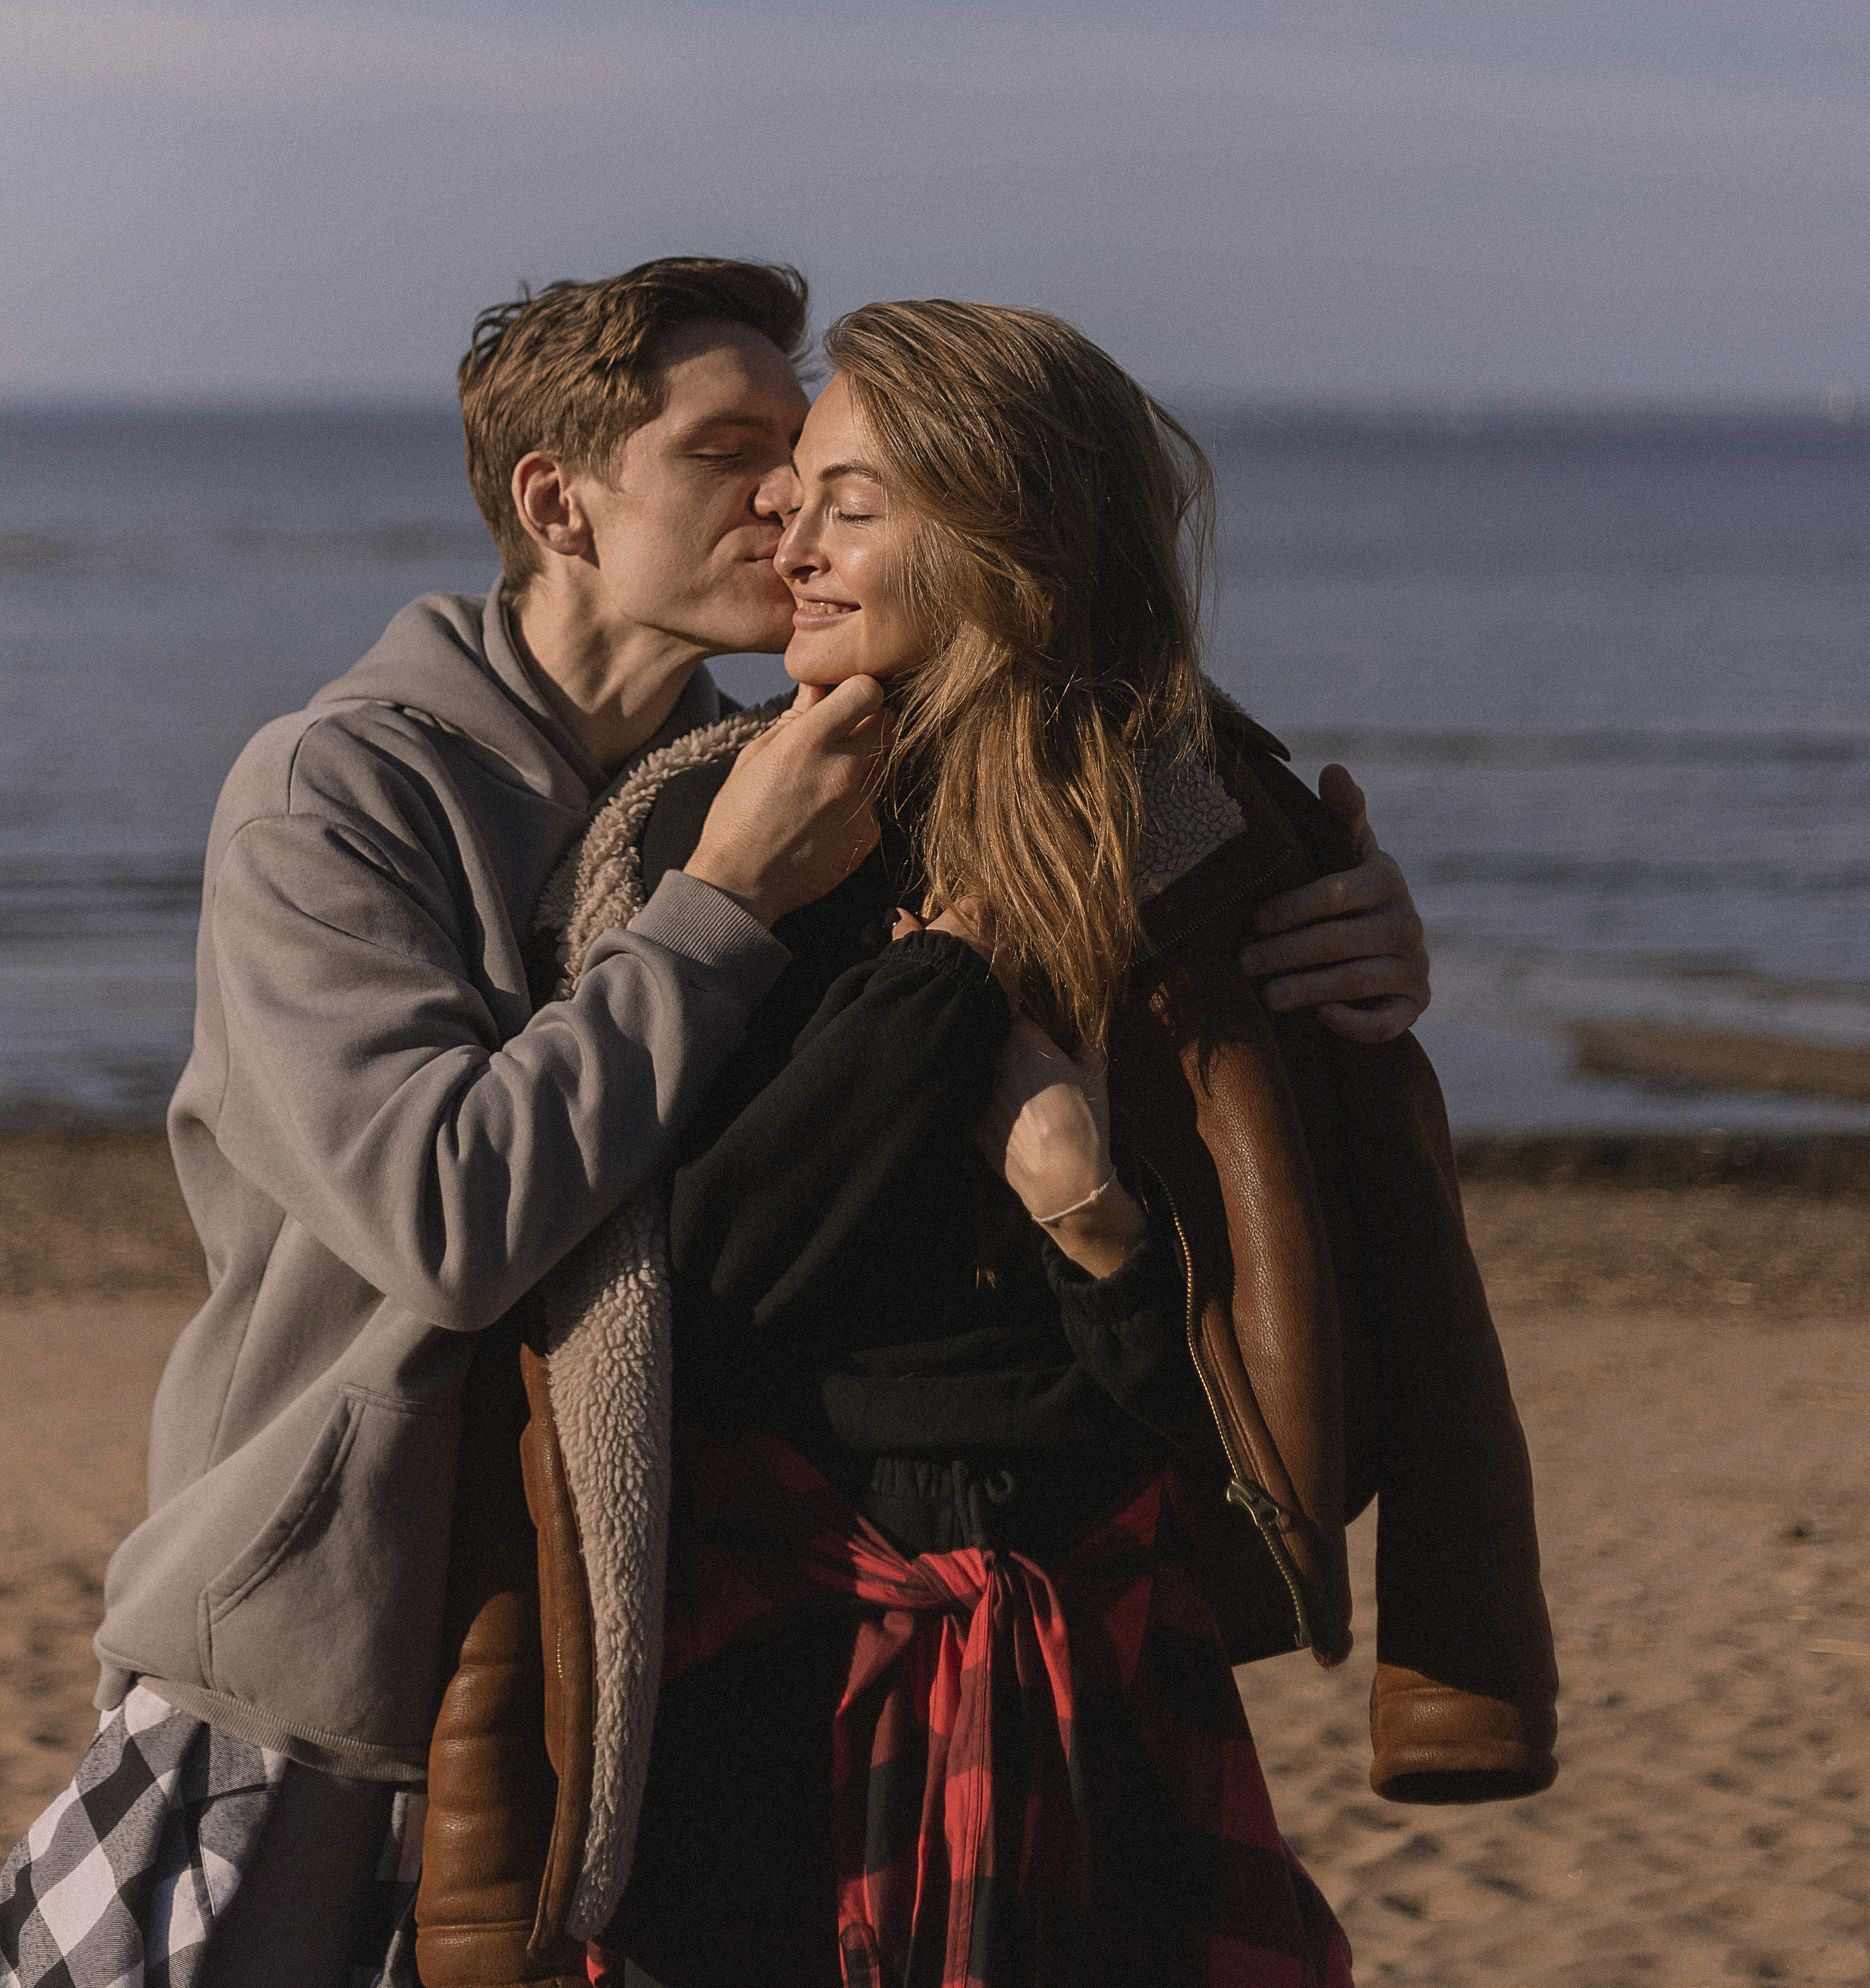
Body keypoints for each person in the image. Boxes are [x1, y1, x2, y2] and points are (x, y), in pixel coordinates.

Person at [0, 264, 1428, 1988]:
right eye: (730, 447)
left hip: (604, 1649)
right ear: (557, 501)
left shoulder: (775, 769)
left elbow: (1101, 795)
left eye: (808, 454)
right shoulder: (343, 794)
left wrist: (1333, 930)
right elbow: (452, 1220)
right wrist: (723, 902)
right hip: (329, 1643)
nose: (783, 495)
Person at [440, 297, 1532, 1988]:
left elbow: (1284, 1360)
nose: (782, 536)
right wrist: (934, 997)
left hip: (1094, 1646)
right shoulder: (703, 820)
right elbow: (683, 1293)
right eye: (790, 486)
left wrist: (1088, 1216)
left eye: (847, 502)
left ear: (1005, 538)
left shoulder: (1198, 836)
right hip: (764, 1657)